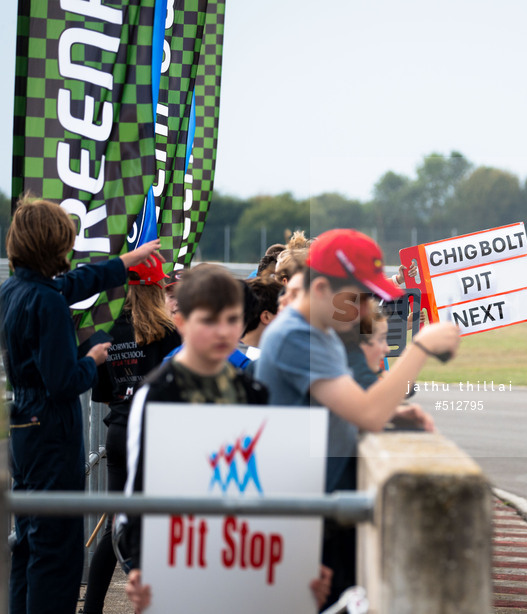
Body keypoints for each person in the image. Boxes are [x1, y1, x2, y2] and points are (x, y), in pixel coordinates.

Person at [255, 228, 460, 607]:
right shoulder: (296, 337)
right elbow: (367, 413)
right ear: (319, 290)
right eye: (358, 296)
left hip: (316, 509)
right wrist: (421, 346)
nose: (366, 307)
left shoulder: (321, 331)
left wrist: (394, 415)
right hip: (299, 517)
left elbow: (354, 404)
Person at [118, 264, 331, 611]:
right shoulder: (156, 394)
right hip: (180, 561)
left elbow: (274, 480)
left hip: (241, 558)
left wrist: (302, 560)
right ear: (181, 320)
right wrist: (142, 565)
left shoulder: (254, 390)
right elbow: (139, 490)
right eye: (209, 320)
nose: (222, 332)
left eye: (232, 320)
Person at [0, 195, 161, 614]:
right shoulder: (49, 303)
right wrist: (91, 361)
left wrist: (124, 262)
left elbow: (72, 284)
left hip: (22, 429)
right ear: (56, 245)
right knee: (57, 549)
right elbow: (63, 382)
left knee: (29, 541)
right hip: (52, 432)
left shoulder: (13, 291)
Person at [83, 258, 181, 614]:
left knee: (114, 524)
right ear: (158, 288)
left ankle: (92, 606)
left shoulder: (107, 331)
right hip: (155, 432)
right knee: (160, 520)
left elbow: (103, 392)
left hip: (120, 430)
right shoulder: (169, 330)